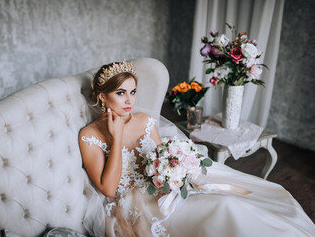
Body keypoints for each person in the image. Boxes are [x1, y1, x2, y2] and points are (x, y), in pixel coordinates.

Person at [79, 61, 315, 237]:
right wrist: (117, 137)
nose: (129, 100)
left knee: (231, 202)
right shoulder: (90, 136)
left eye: (132, 92)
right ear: (102, 96)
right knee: (223, 208)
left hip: (167, 187)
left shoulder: (143, 120)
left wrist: (176, 173)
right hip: (138, 204)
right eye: (120, 93)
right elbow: (109, 189)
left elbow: (163, 156)